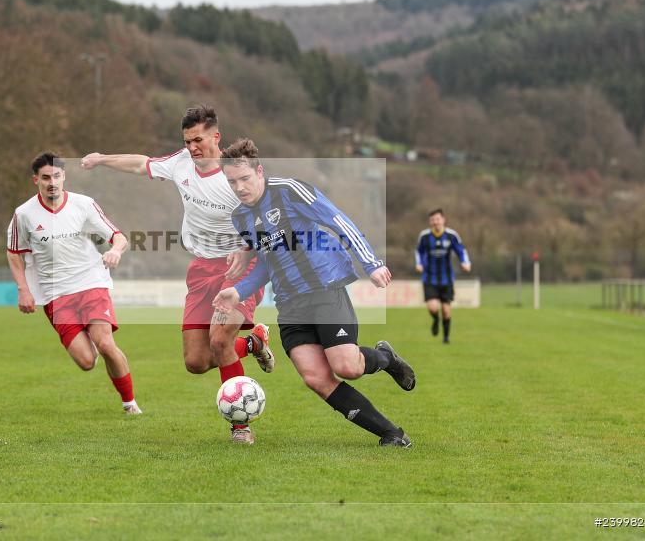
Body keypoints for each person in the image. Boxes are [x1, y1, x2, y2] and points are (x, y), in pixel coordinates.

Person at [80, 105, 273, 445]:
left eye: (198, 140)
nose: (192, 147)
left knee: (219, 340)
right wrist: (102, 158)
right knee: (196, 362)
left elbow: (269, 223)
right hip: (201, 269)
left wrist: (247, 249)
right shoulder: (181, 163)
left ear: (216, 137)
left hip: (240, 267)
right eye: (187, 141)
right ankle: (254, 342)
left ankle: (240, 425)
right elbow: (142, 163)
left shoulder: (237, 178)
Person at [213, 138, 415, 448]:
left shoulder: (289, 190)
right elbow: (268, 262)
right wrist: (238, 292)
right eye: (232, 182)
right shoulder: (241, 218)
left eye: (244, 179)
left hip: (322, 290)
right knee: (316, 378)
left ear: (259, 172)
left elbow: (338, 221)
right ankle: (391, 434)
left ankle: (385, 358)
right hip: (290, 305)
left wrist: (370, 263)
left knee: (347, 366)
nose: (239, 187)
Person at [6, 152, 142, 415]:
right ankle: (87, 337)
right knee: (87, 361)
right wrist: (23, 289)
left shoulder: (84, 204)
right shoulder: (23, 214)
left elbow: (118, 236)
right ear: (36, 180)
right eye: (45, 178)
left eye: (56, 176)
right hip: (55, 295)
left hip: (91, 283)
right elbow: (14, 252)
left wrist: (115, 250)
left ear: (64, 176)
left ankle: (130, 403)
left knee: (105, 343)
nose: (52, 183)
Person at [415, 208, 471, 344]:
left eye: (438, 219)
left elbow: (461, 250)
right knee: (433, 308)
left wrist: (465, 262)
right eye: (432, 220)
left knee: (446, 310)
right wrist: (419, 264)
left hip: (446, 279)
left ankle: (446, 337)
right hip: (429, 278)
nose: (435, 222)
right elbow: (419, 252)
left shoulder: (451, 235)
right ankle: (435, 319)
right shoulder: (424, 236)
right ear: (430, 222)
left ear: (443, 220)